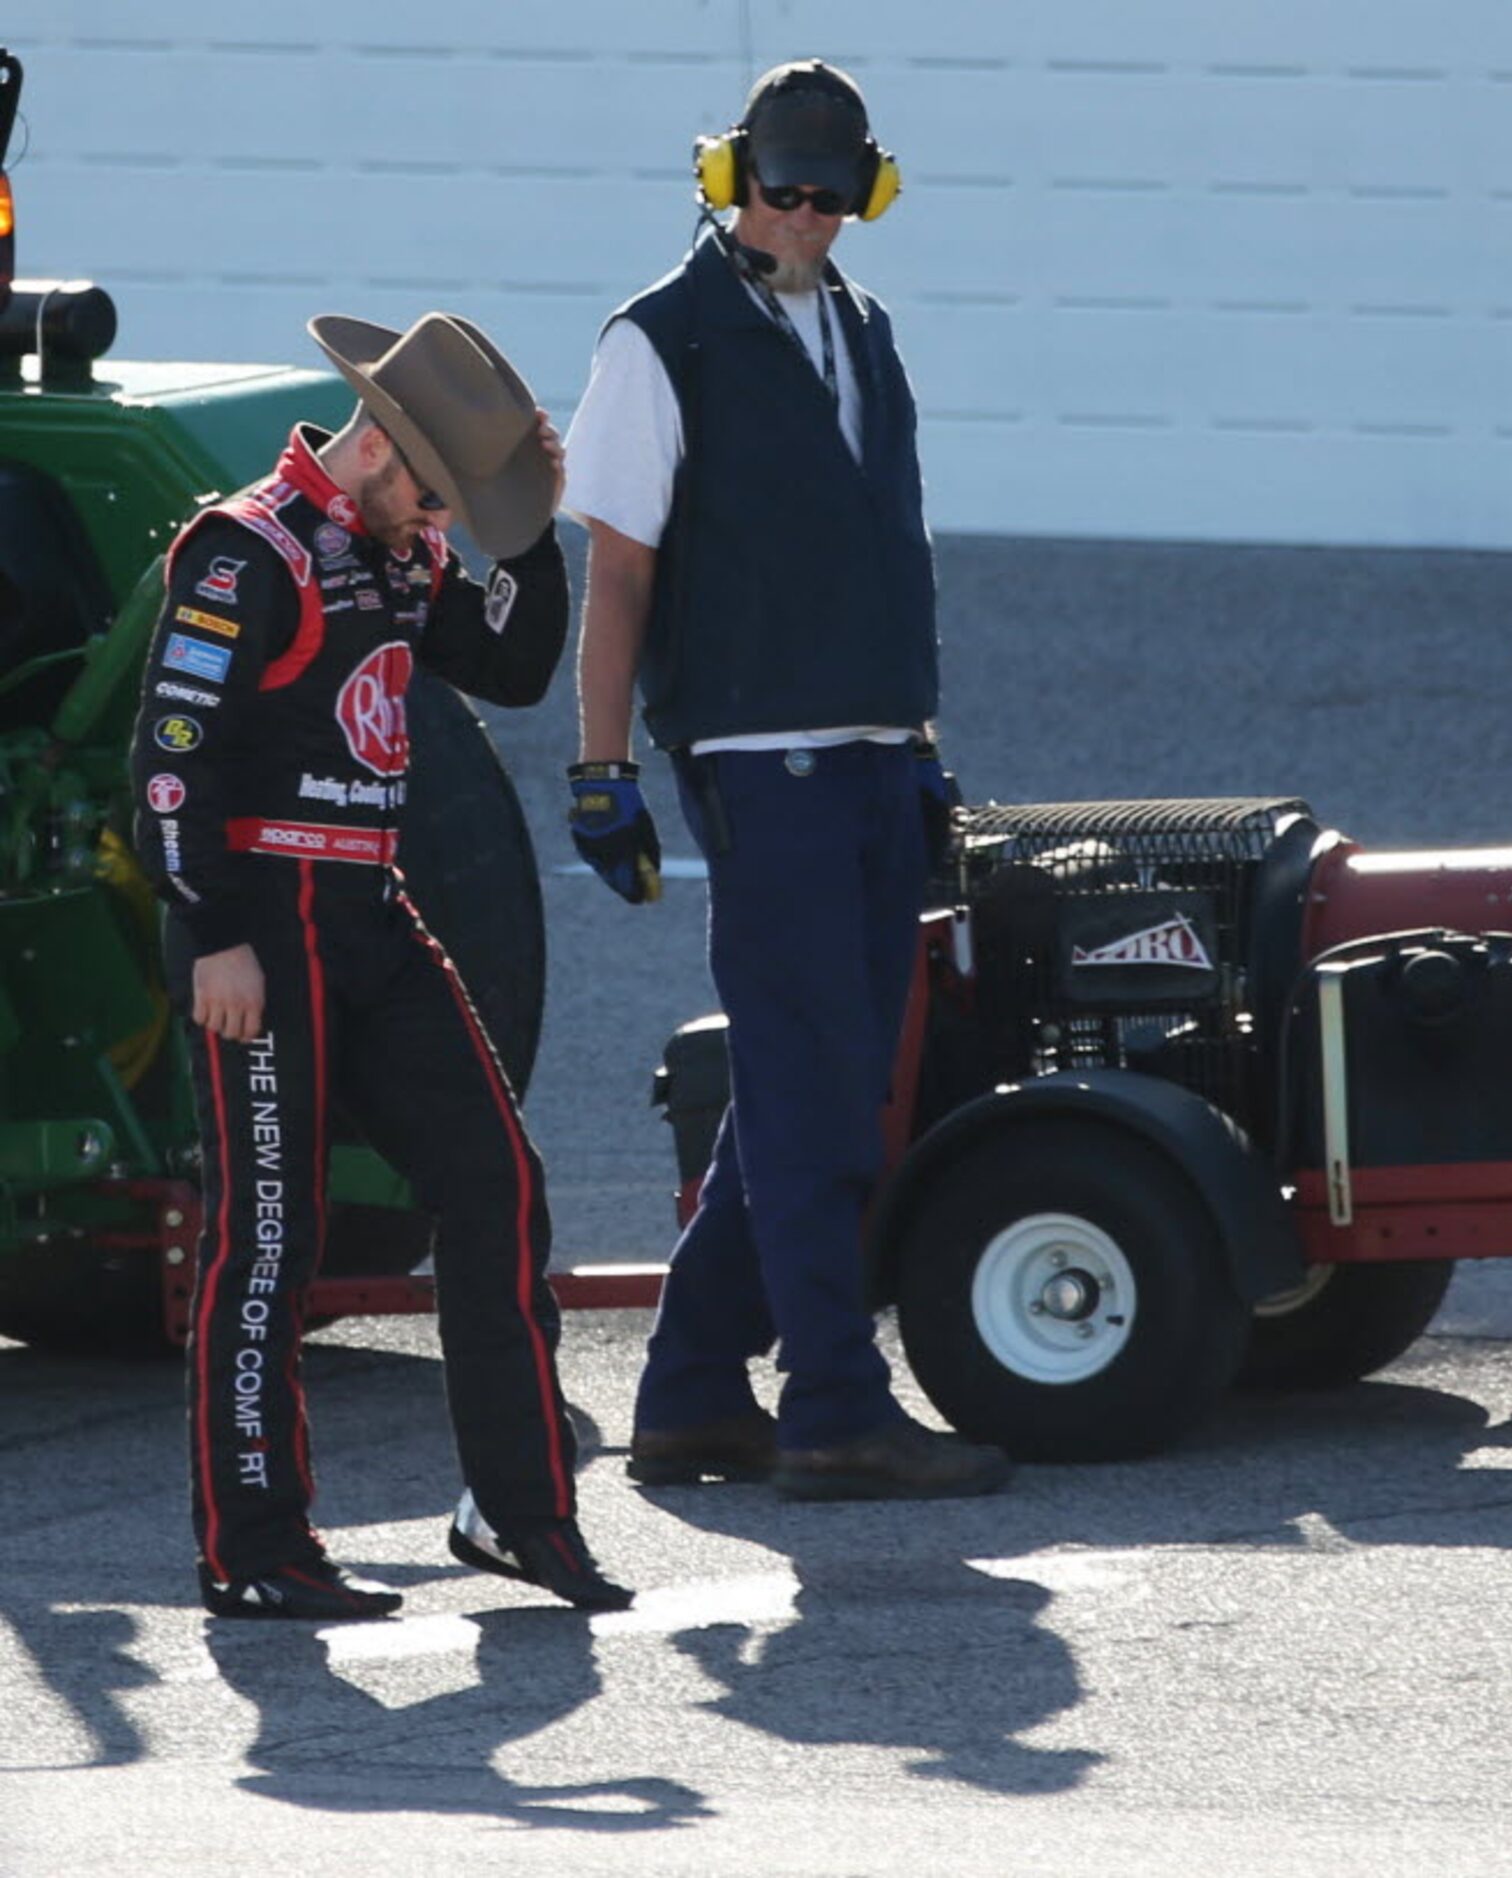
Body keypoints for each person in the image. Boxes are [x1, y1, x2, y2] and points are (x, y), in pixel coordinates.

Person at [130, 312, 632, 1619]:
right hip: (261, 916)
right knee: (271, 1231)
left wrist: (530, 536)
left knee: (498, 1181)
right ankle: (256, 1548)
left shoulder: (393, 549)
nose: (439, 517)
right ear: (376, 447)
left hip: (368, 906)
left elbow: (515, 666)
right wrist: (211, 934)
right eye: (434, 487)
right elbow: (170, 769)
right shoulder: (246, 552)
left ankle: (521, 1515)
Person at [563, 58, 1011, 1500]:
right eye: (782, 188)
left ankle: (693, 1389)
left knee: (806, 1087)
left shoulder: (867, 331)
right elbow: (617, 572)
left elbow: (889, 557)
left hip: (877, 759)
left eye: (832, 193)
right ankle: (830, 1402)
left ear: (866, 190)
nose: (806, 216)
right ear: (730, 179)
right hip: (762, 765)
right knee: (814, 1101)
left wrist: (920, 747)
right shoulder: (658, 339)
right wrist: (600, 767)